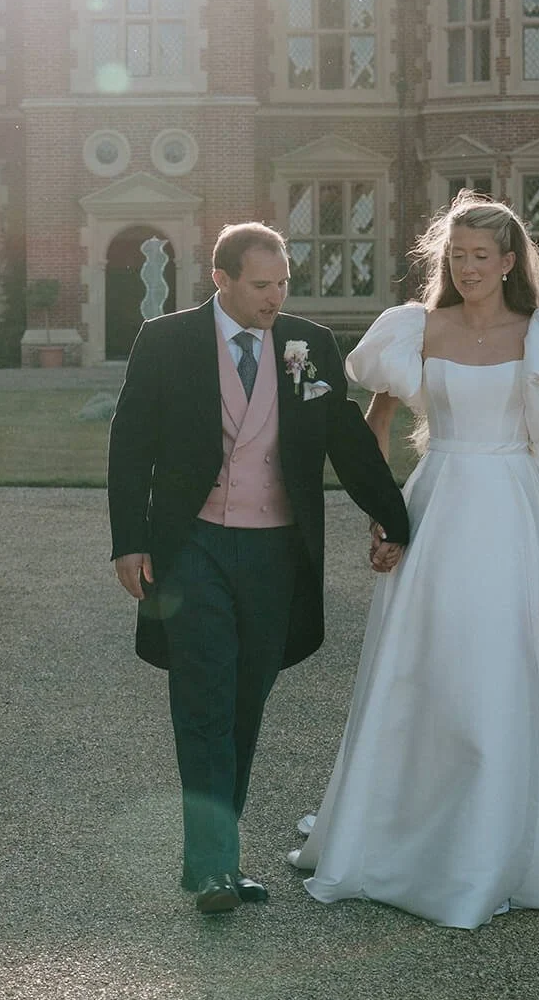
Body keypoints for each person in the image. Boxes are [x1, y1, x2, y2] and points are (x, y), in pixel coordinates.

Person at [290, 193, 539, 929]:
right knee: (429, 661)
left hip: (519, 513)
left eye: (481, 256)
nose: (467, 268)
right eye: (456, 256)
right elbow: (373, 430)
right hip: (436, 507)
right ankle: (414, 826)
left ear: (508, 263)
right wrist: (381, 518)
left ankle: (505, 842)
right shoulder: (413, 330)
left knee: (507, 666)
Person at [108, 221, 412, 915]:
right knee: (205, 699)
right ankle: (216, 867)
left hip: (278, 551)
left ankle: (211, 859)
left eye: (283, 284)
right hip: (195, 547)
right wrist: (130, 541)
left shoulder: (310, 345)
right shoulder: (165, 342)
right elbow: (130, 446)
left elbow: (348, 440)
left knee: (245, 703)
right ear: (221, 279)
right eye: (261, 284)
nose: (276, 297)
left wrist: (394, 517)